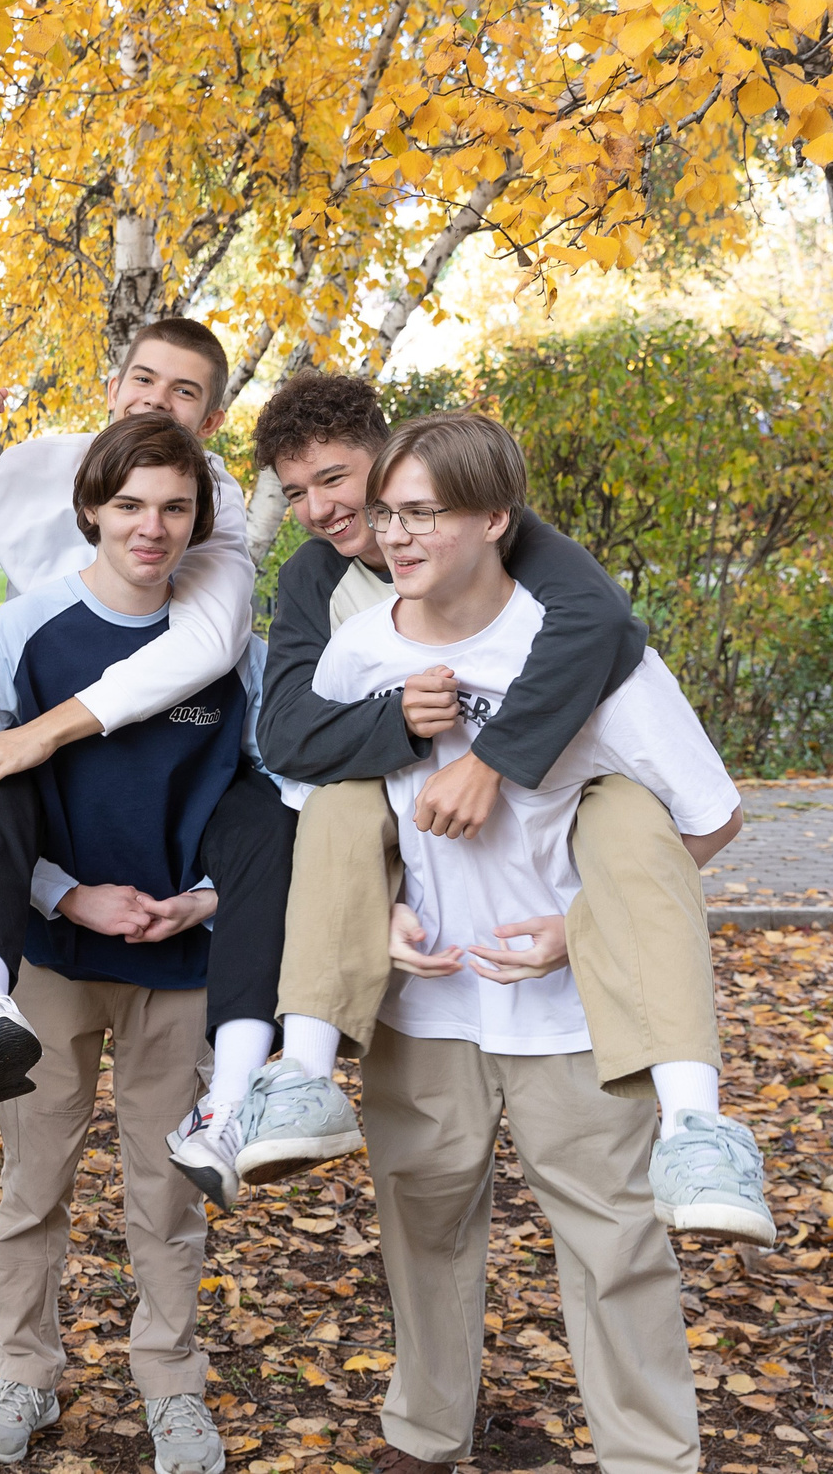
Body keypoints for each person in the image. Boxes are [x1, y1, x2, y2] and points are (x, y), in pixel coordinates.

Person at [201, 373, 774, 1244]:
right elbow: (288, 739)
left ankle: (698, 1124)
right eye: (296, 491)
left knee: (624, 810)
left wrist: (494, 763)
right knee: (340, 806)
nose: (320, 509)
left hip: (549, 937)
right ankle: (301, 1075)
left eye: (336, 478)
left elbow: (602, 626)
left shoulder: (524, 563)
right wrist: (395, 726)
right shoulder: (330, 594)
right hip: (427, 946)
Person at [304, 411, 737, 1474]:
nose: (397, 536)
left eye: (424, 514)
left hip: (565, 1009)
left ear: (495, 519)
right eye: (386, 513)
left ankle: (649, 1457)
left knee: (614, 1240)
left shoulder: (584, 653)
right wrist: (373, 912)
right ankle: (425, 1434)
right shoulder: (359, 649)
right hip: (427, 998)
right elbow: (330, 806)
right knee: (421, 1228)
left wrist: (580, 932)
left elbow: (709, 816)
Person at [0, 415, 281, 1474]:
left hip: (179, 959)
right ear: (90, 510)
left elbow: (273, 796)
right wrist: (67, 896)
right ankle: (24, 1375)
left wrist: (203, 902)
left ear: (199, 522)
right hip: (53, 959)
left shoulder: (229, 651)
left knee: (167, 1195)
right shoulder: (27, 632)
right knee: (34, 1187)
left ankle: (172, 1389)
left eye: (174, 508)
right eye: (129, 505)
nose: (150, 528)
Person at [0, 320, 299, 1178]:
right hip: (54, 892)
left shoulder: (214, 561)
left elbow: (234, 694)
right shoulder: (27, 599)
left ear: (210, 427)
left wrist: (207, 899)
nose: (156, 399)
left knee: (265, 808)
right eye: (144, 378)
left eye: (184, 391)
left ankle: (236, 1095)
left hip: (174, 897)